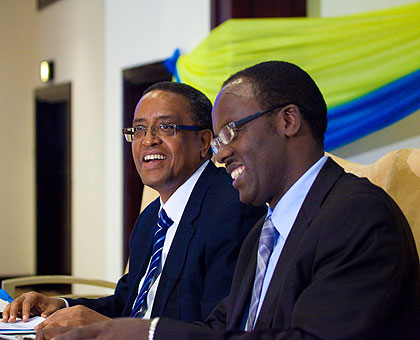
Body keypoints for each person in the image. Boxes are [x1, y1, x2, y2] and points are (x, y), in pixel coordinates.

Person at [35, 61, 420, 340]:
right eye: (219, 140)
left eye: (231, 132)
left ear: (288, 121)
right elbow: (223, 326)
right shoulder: (265, 231)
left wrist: (145, 333)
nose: (220, 154)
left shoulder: (358, 216)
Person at [2, 82, 266, 328]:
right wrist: (60, 305)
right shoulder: (152, 217)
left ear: (204, 141)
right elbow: (127, 303)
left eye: (165, 127)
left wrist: (112, 330)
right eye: (138, 129)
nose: (148, 140)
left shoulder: (232, 208)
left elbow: (217, 329)